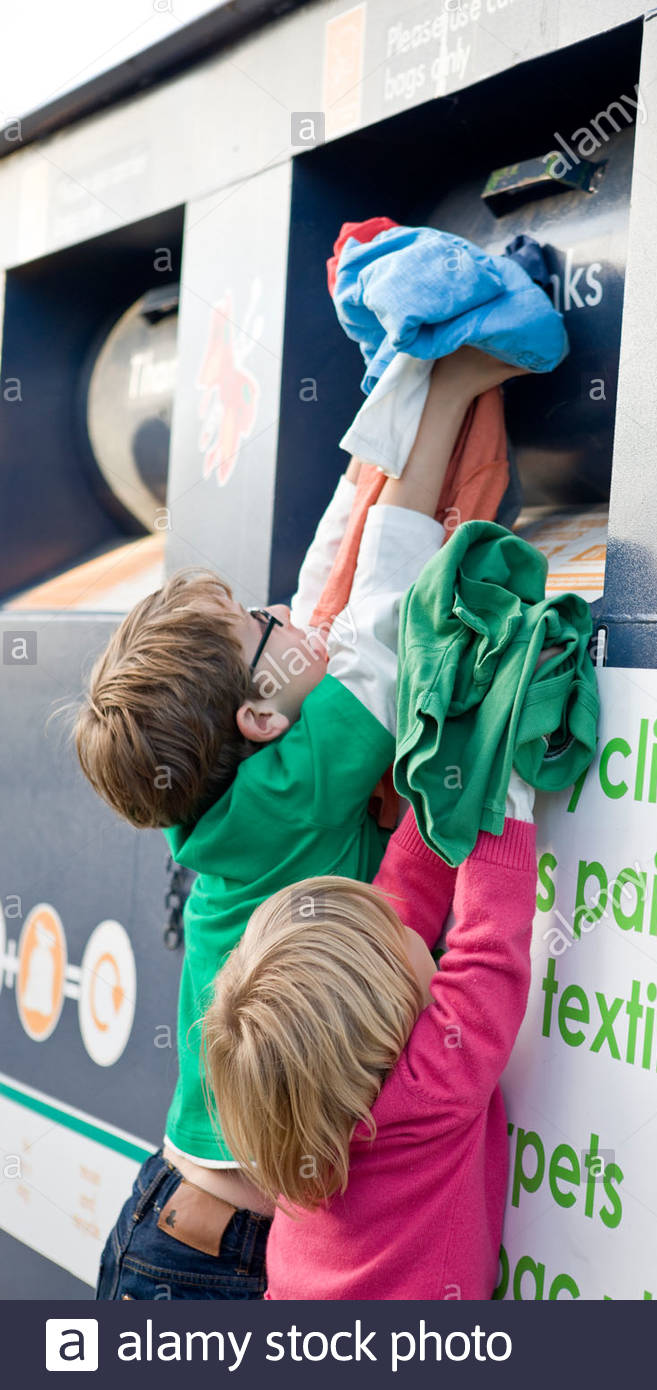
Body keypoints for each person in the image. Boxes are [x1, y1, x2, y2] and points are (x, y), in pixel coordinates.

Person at [74, 345, 523, 1299]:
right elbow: (378, 620)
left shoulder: (223, 797)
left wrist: (399, 389)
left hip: (170, 1219)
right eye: (260, 624)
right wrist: (444, 391)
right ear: (260, 720)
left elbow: (333, 582)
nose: (285, 610)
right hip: (222, 1263)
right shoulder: (294, 790)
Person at [203, 769, 537, 1301]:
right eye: (404, 938)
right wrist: (501, 798)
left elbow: (397, 900)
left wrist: (443, 783)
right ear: (394, 1007)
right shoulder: (430, 1091)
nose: (415, 927)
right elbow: (487, 955)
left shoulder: (303, 1109)